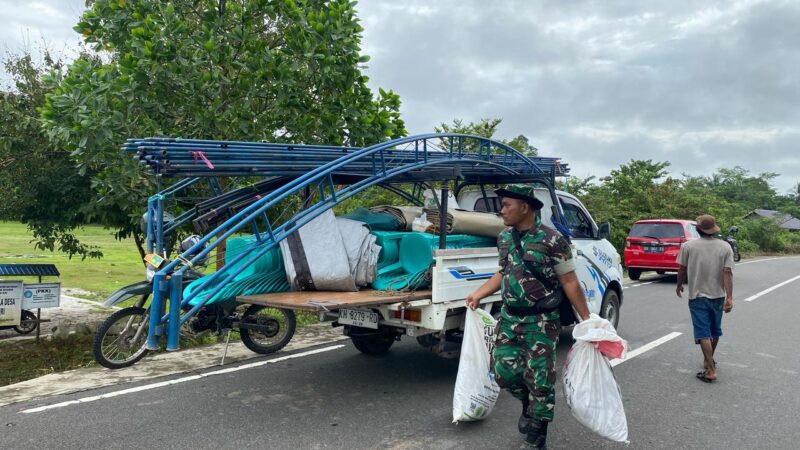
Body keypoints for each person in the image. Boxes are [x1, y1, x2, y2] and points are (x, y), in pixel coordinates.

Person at [465, 184, 590, 449]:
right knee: (503, 372)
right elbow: (503, 271)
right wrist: (479, 293)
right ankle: (528, 404)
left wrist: (587, 320)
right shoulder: (505, 238)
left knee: (540, 378)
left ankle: (537, 434)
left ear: (525, 207)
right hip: (510, 317)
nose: (502, 210)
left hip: (541, 321)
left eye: (507, 205)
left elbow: (569, 280)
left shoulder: (553, 240)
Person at [676, 214, 734, 383]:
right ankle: (709, 360)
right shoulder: (725, 247)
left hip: (697, 296)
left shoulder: (688, 246)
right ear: (713, 229)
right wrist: (729, 296)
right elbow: (728, 272)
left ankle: (710, 370)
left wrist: (679, 285)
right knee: (714, 331)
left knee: (703, 333)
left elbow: (682, 269)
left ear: (698, 229)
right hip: (718, 296)